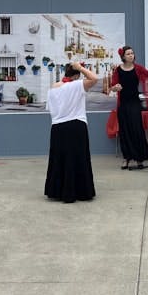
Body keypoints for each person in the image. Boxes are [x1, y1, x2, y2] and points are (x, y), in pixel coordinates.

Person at [44, 61, 98, 203]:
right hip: (75, 125)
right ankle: (80, 191)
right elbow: (94, 79)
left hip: (57, 127)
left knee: (59, 160)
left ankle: (57, 190)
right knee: (78, 159)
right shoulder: (76, 85)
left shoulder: (53, 88)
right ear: (76, 75)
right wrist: (80, 67)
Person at [109, 46, 148, 170]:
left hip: (134, 102)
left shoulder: (138, 68)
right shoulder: (118, 70)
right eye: (128, 54)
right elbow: (113, 85)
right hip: (123, 104)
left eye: (132, 53)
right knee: (125, 131)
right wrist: (115, 87)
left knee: (137, 129)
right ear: (123, 56)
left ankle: (140, 158)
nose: (131, 55)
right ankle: (126, 158)